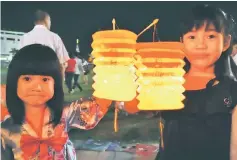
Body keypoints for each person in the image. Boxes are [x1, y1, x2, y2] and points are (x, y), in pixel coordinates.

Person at [1, 44, 111, 159]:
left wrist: (113, 73)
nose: (37, 87)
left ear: (55, 84)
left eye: (45, 79)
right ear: (14, 83)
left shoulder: (63, 114)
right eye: (27, 79)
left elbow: (93, 110)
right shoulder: (5, 130)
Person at [155, 4, 237, 160]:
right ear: (182, 43)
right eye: (192, 37)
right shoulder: (169, 83)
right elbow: (138, 109)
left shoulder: (232, 90)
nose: (200, 45)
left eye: (210, 36)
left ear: (226, 42)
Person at [20, 10, 69, 79]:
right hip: (48, 80)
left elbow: (20, 62)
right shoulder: (54, 37)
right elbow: (61, 64)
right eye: (50, 21)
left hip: (30, 80)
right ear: (46, 20)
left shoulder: (24, 38)